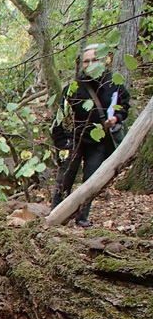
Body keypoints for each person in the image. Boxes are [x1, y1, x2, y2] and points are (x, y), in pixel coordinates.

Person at [51, 44, 131, 227]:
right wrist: (62, 143)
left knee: (91, 181)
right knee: (65, 179)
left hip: (99, 143)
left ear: (103, 61)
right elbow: (58, 118)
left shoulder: (114, 84)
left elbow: (124, 106)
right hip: (74, 141)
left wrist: (116, 118)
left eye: (94, 60)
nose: (90, 64)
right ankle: (55, 215)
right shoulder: (73, 88)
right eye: (86, 61)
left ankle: (82, 219)